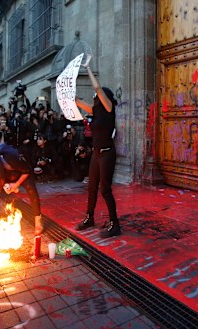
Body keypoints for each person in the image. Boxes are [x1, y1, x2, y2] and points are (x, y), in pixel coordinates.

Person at [73, 54, 120, 238]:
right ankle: (89, 218)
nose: (95, 96)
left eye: (97, 96)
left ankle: (115, 224)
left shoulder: (109, 107)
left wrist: (88, 69)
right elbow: (79, 102)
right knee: (91, 187)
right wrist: (71, 97)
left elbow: (98, 88)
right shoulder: (96, 110)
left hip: (108, 153)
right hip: (97, 154)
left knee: (105, 190)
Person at [0, 144, 44, 235]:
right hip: (7, 177)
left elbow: (27, 170)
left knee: (31, 190)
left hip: (22, 174)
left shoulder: (8, 160)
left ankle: (38, 220)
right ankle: (6, 205)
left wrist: (16, 184)